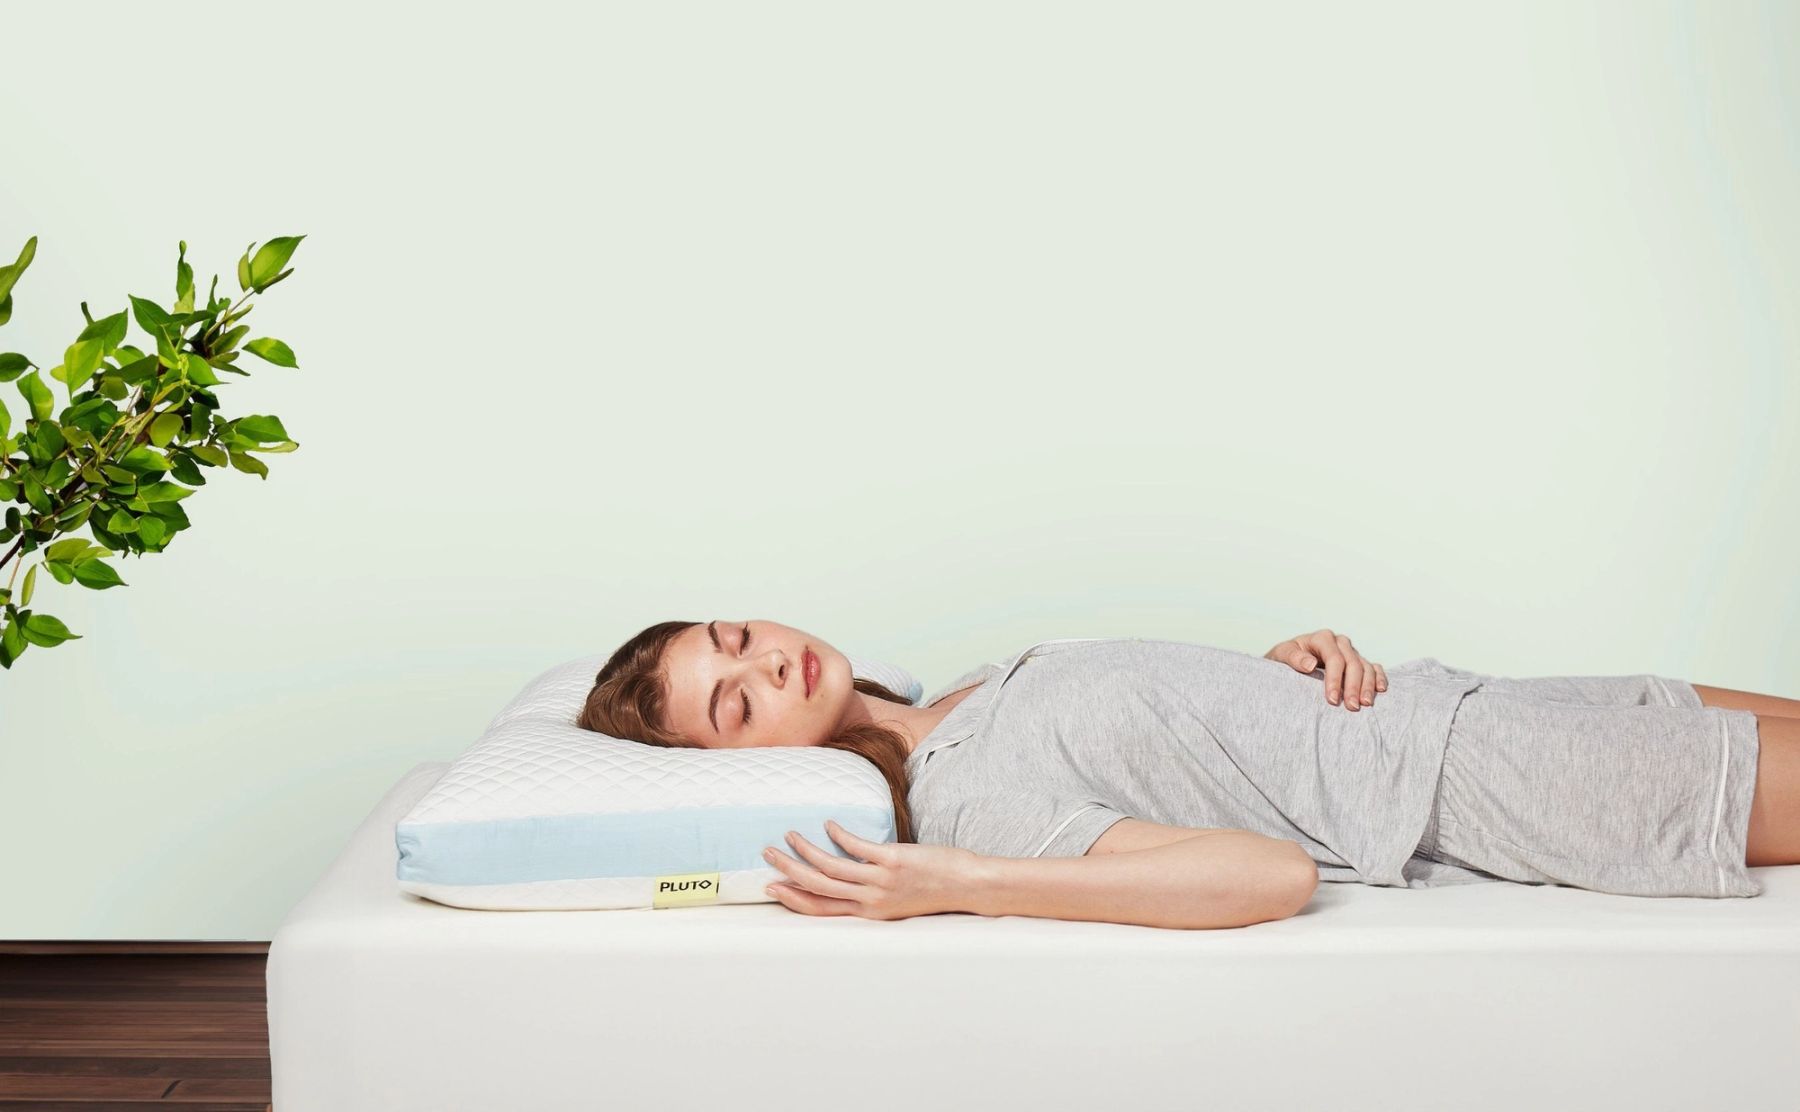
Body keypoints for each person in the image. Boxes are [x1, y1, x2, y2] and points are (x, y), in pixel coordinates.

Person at [576, 620, 1800, 929]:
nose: (765, 663)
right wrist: (961, 882)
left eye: (734, 638)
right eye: (733, 704)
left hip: (1452, 701)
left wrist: (1273, 675)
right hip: (1483, 780)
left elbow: (1179, 740)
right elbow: (1265, 871)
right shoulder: (957, 797)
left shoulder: (961, 688)